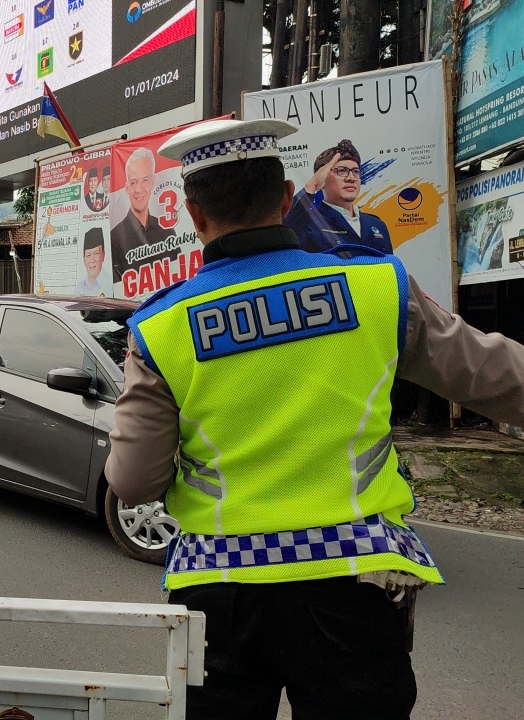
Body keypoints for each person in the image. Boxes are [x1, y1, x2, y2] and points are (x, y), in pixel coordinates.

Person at [104, 117, 524, 719]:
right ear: (285, 198)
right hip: (354, 582)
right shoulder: (375, 287)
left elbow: (133, 480)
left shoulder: (161, 326)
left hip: (221, 594)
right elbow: (495, 376)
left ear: (194, 215)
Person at [284, 139, 393, 254]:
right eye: (341, 171)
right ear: (323, 177)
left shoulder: (376, 224)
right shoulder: (309, 223)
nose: (351, 178)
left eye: (356, 172)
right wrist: (312, 186)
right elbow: (282, 230)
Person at [111, 146, 176, 279]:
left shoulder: (167, 231)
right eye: (133, 182)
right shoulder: (114, 238)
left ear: (152, 182)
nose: (139, 189)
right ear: (126, 187)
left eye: (145, 180)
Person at [73, 227, 107, 296]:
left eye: (96, 253)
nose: (92, 260)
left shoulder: (110, 285)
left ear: (103, 255)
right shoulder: (78, 288)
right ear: (84, 259)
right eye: (88, 255)